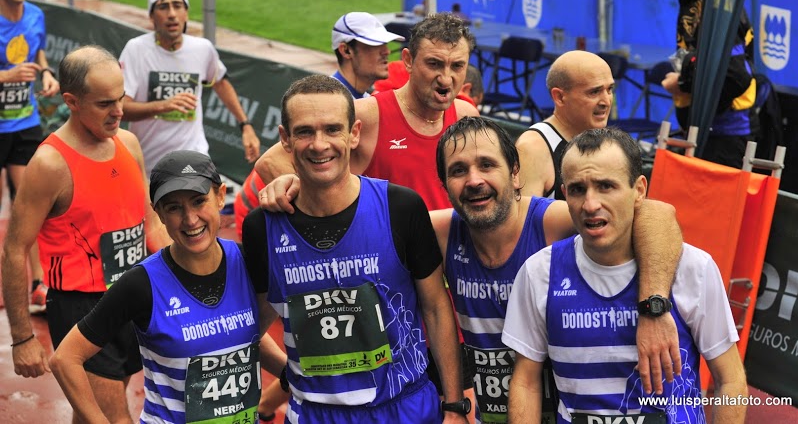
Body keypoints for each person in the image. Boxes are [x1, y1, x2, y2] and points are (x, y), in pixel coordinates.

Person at [261, 116, 684, 424]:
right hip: (490, 412)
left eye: (487, 165)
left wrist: (653, 307)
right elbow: (352, 220)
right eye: (458, 171)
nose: (474, 180)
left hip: (569, 408)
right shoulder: (442, 232)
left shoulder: (549, 222)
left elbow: (655, 213)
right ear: (445, 186)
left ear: (516, 174)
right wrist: (294, 185)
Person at [243, 75, 468, 423]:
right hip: (314, 414)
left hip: (404, 409)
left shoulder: (401, 207)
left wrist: (454, 406)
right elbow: (247, 327)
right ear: (285, 139)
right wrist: (287, 373)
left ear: (354, 133)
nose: (320, 145)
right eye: (304, 132)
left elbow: (437, 309)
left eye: (333, 129)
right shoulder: (263, 227)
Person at [503, 127, 748, 423]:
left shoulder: (693, 267)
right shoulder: (538, 272)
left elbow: (730, 381)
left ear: (639, 190)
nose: (591, 205)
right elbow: (526, 383)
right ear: (565, 194)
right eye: (578, 189)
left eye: (606, 186)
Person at [50, 150, 278, 423]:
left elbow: (243, 337)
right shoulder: (142, 283)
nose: (190, 219)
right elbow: (64, 359)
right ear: (157, 213)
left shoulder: (247, 263)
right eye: (173, 207)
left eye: (198, 201)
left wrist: (295, 375)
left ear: (220, 196)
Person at [0, 46, 152, 422]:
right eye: (104, 104)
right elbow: (15, 249)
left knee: (89, 416)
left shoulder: (128, 145)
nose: (119, 111)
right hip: (83, 310)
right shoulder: (50, 164)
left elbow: (151, 224)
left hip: (134, 296)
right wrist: (22, 337)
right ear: (71, 101)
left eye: (120, 98)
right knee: (115, 418)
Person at [255, 12, 479, 211]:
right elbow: (271, 162)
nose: (446, 78)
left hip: (448, 254)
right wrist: (315, 213)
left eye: (457, 66)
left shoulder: (465, 116)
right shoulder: (368, 114)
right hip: (386, 257)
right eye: (434, 64)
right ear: (408, 61)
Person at [638, 0, 756, 169]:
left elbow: (736, 76)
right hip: (704, 131)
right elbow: (698, 58)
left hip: (724, 137)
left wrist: (681, 84)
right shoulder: (695, 0)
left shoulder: (718, 10)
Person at [120, 0, 261, 174]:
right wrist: (163, 105)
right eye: (163, 7)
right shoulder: (135, 50)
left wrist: (245, 125)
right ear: (151, 16)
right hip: (149, 163)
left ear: (186, 13)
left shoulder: (202, 49)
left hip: (194, 157)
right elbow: (121, 108)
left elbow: (220, 82)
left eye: (177, 6)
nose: (171, 14)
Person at [0, 0, 60, 314]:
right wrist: (6, 76)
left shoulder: (35, 16)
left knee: (29, 204)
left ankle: (39, 283)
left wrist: (48, 72)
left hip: (24, 123)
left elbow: (38, 56)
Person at [514, 50, 614, 199]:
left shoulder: (610, 144)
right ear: (560, 97)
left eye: (610, 90)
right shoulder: (534, 148)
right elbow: (525, 219)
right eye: (594, 92)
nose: (606, 101)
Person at [331, 11, 405, 98]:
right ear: (345, 51)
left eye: (385, 44)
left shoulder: (364, 100)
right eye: (374, 44)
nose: (387, 51)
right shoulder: (327, 102)